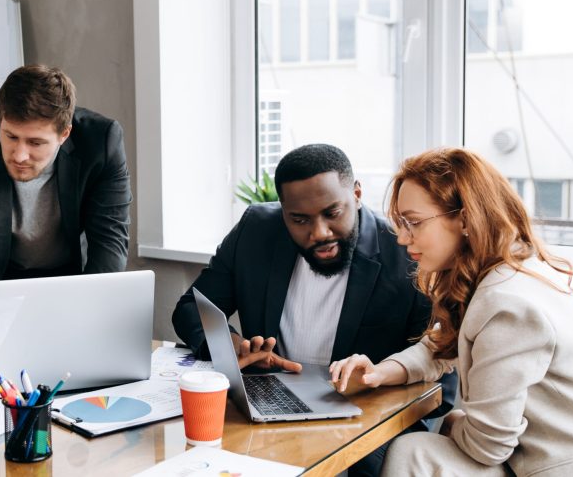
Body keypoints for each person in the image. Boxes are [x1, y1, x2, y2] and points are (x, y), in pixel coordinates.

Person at [329, 148, 573, 476]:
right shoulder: (505, 273)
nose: (403, 238)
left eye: (413, 223)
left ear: (464, 219)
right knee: (420, 450)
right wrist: (379, 373)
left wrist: (454, 423)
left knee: (415, 451)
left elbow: (488, 445)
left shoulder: (508, 303)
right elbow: (438, 347)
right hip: (556, 459)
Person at [172, 144, 456, 477]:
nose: (319, 232)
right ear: (283, 212)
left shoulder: (407, 252)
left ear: (358, 194)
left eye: (332, 213)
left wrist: (373, 384)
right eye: (300, 219)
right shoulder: (256, 231)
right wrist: (231, 348)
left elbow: (442, 387)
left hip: (365, 422)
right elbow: (190, 307)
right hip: (266, 411)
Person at [0, 64, 132, 296]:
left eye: (35, 143)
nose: (19, 155)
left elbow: (110, 242)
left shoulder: (101, 143)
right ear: (0, 122)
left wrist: (88, 312)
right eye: (10, 136)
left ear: (64, 134)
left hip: (72, 279)